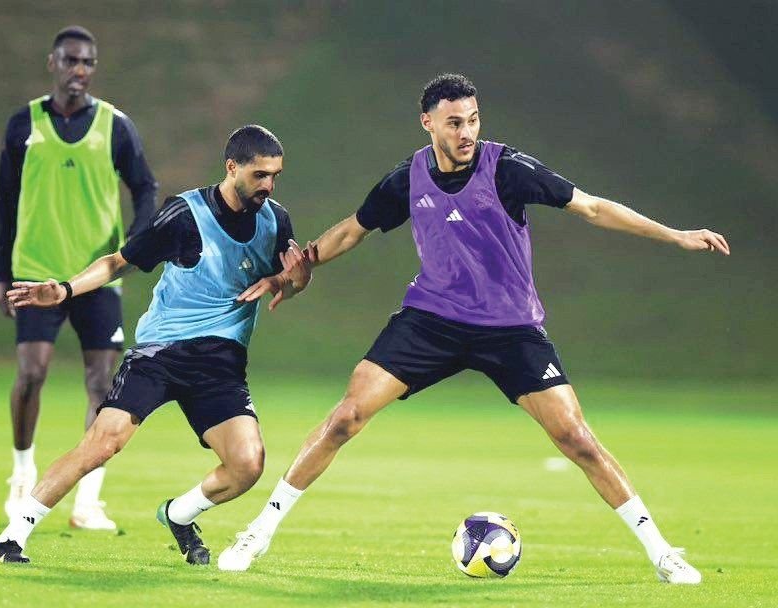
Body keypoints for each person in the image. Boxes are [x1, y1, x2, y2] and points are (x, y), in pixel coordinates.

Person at [218, 74, 729, 584]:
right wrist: (291, 271)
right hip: (432, 321)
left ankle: (662, 552)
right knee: (345, 418)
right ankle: (257, 532)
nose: (466, 133)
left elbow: (593, 208)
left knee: (577, 438)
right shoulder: (408, 179)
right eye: (454, 123)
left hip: (511, 328)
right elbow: (353, 230)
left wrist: (675, 235)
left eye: (473, 120)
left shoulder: (508, 169)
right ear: (428, 123)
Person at [0, 125, 312, 565]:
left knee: (247, 465)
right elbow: (118, 263)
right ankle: (11, 537)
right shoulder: (185, 214)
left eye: (275, 176)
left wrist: (298, 280)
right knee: (102, 443)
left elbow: (284, 283)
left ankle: (179, 514)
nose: (268, 186)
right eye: (260, 175)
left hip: (220, 362)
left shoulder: (276, 220)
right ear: (232, 167)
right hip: (161, 353)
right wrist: (64, 290)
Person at [0, 26, 158, 529]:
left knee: (102, 385)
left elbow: (145, 188)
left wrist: (136, 242)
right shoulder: (24, 124)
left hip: (95, 276)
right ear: (53, 63)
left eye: (87, 62)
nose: (79, 70)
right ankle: (22, 475)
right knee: (31, 373)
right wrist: (0, 273)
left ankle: (87, 501)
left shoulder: (115, 126)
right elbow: (6, 201)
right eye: (70, 61)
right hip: (34, 271)